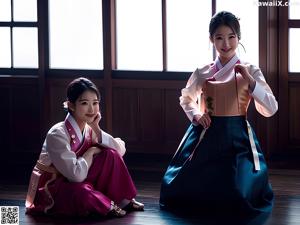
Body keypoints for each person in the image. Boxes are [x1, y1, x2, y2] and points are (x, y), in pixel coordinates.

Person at [160, 11, 278, 214]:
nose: (226, 44)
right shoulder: (203, 71)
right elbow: (186, 98)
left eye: (232, 37)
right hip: (206, 133)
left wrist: (250, 81)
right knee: (181, 186)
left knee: (238, 191)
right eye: (219, 37)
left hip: (238, 136)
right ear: (211, 39)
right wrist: (196, 114)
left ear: (239, 38)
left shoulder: (250, 70)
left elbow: (271, 107)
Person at [25, 77, 144, 218]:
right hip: (53, 185)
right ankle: (106, 204)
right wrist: (91, 151)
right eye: (84, 103)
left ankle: (123, 200)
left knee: (110, 154)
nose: (91, 109)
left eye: (95, 103)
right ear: (71, 105)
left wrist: (97, 128)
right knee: (82, 193)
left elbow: (120, 150)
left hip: (75, 178)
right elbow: (76, 176)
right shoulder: (58, 133)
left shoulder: (88, 128)